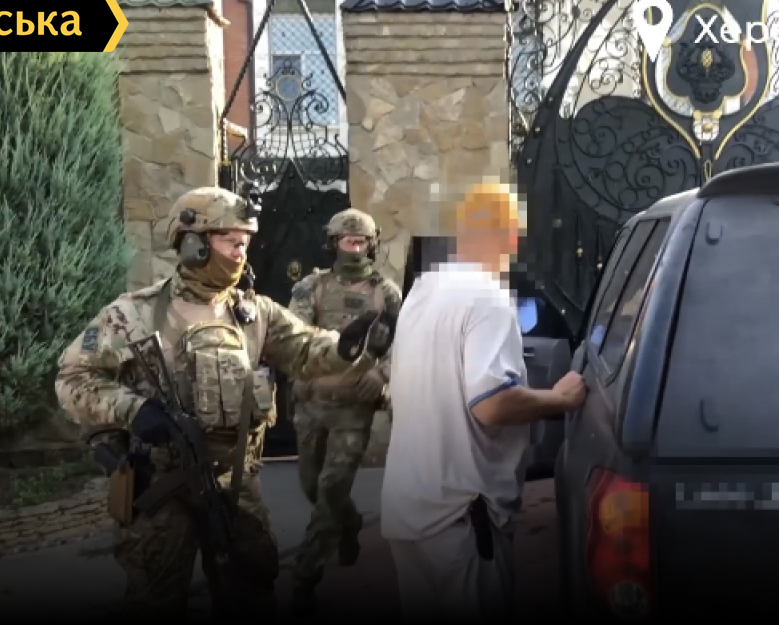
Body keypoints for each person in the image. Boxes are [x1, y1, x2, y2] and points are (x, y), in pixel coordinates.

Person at [54, 187, 395, 621]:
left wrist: (345, 348)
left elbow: (306, 349)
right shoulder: (131, 314)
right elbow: (73, 378)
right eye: (230, 241)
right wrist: (133, 410)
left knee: (252, 591)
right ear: (193, 243)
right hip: (161, 485)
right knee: (157, 598)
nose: (240, 253)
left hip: (235, 483)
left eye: (245, 243)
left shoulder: (253, 312)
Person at [380, 182, 588, 621]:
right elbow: (491, 403)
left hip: (409, 507)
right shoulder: (488, 298)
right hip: (461, 518)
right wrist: (560, 398)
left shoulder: (424, 288)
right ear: (511, 235)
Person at [285, 208, 403, 616]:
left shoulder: (386, 293)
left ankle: (305, 576)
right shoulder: (311, 288)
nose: (354, 248)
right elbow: (292, 337)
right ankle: (348, 524)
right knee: (311, 486)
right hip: (312, 404)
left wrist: (382, 374)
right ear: (333, 243)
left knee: (332, 488)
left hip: (354, 409)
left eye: (360, 242)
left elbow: (405, 341)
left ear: (371, 244)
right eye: (346, 241)